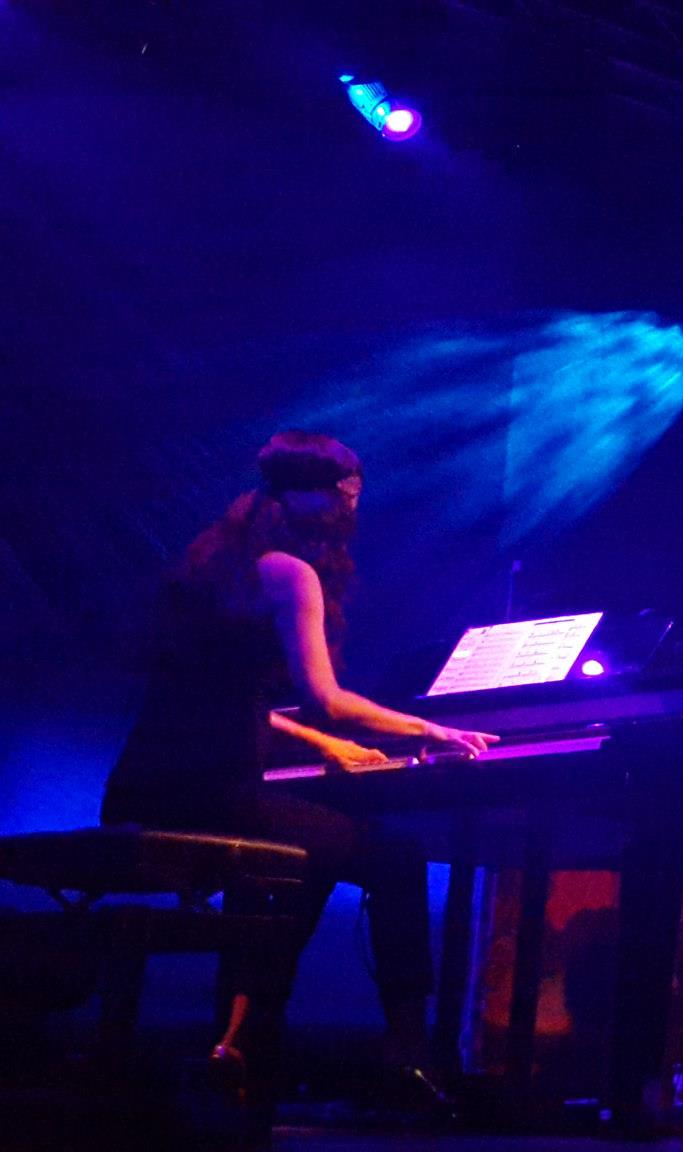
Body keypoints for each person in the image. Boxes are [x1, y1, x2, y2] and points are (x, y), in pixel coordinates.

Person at [100, 431, 497, 1107]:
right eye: (347, 493)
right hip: (212, 788)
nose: (353, 507)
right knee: (391, 855)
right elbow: (325, 698)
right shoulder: (290, 573)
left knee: (305, 850)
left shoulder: (210, 559)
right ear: (314, 496)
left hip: (146, 783)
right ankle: (406, 1055)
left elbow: (226, 696)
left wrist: (322, 745)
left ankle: (244, 1042)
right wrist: (430, 727)